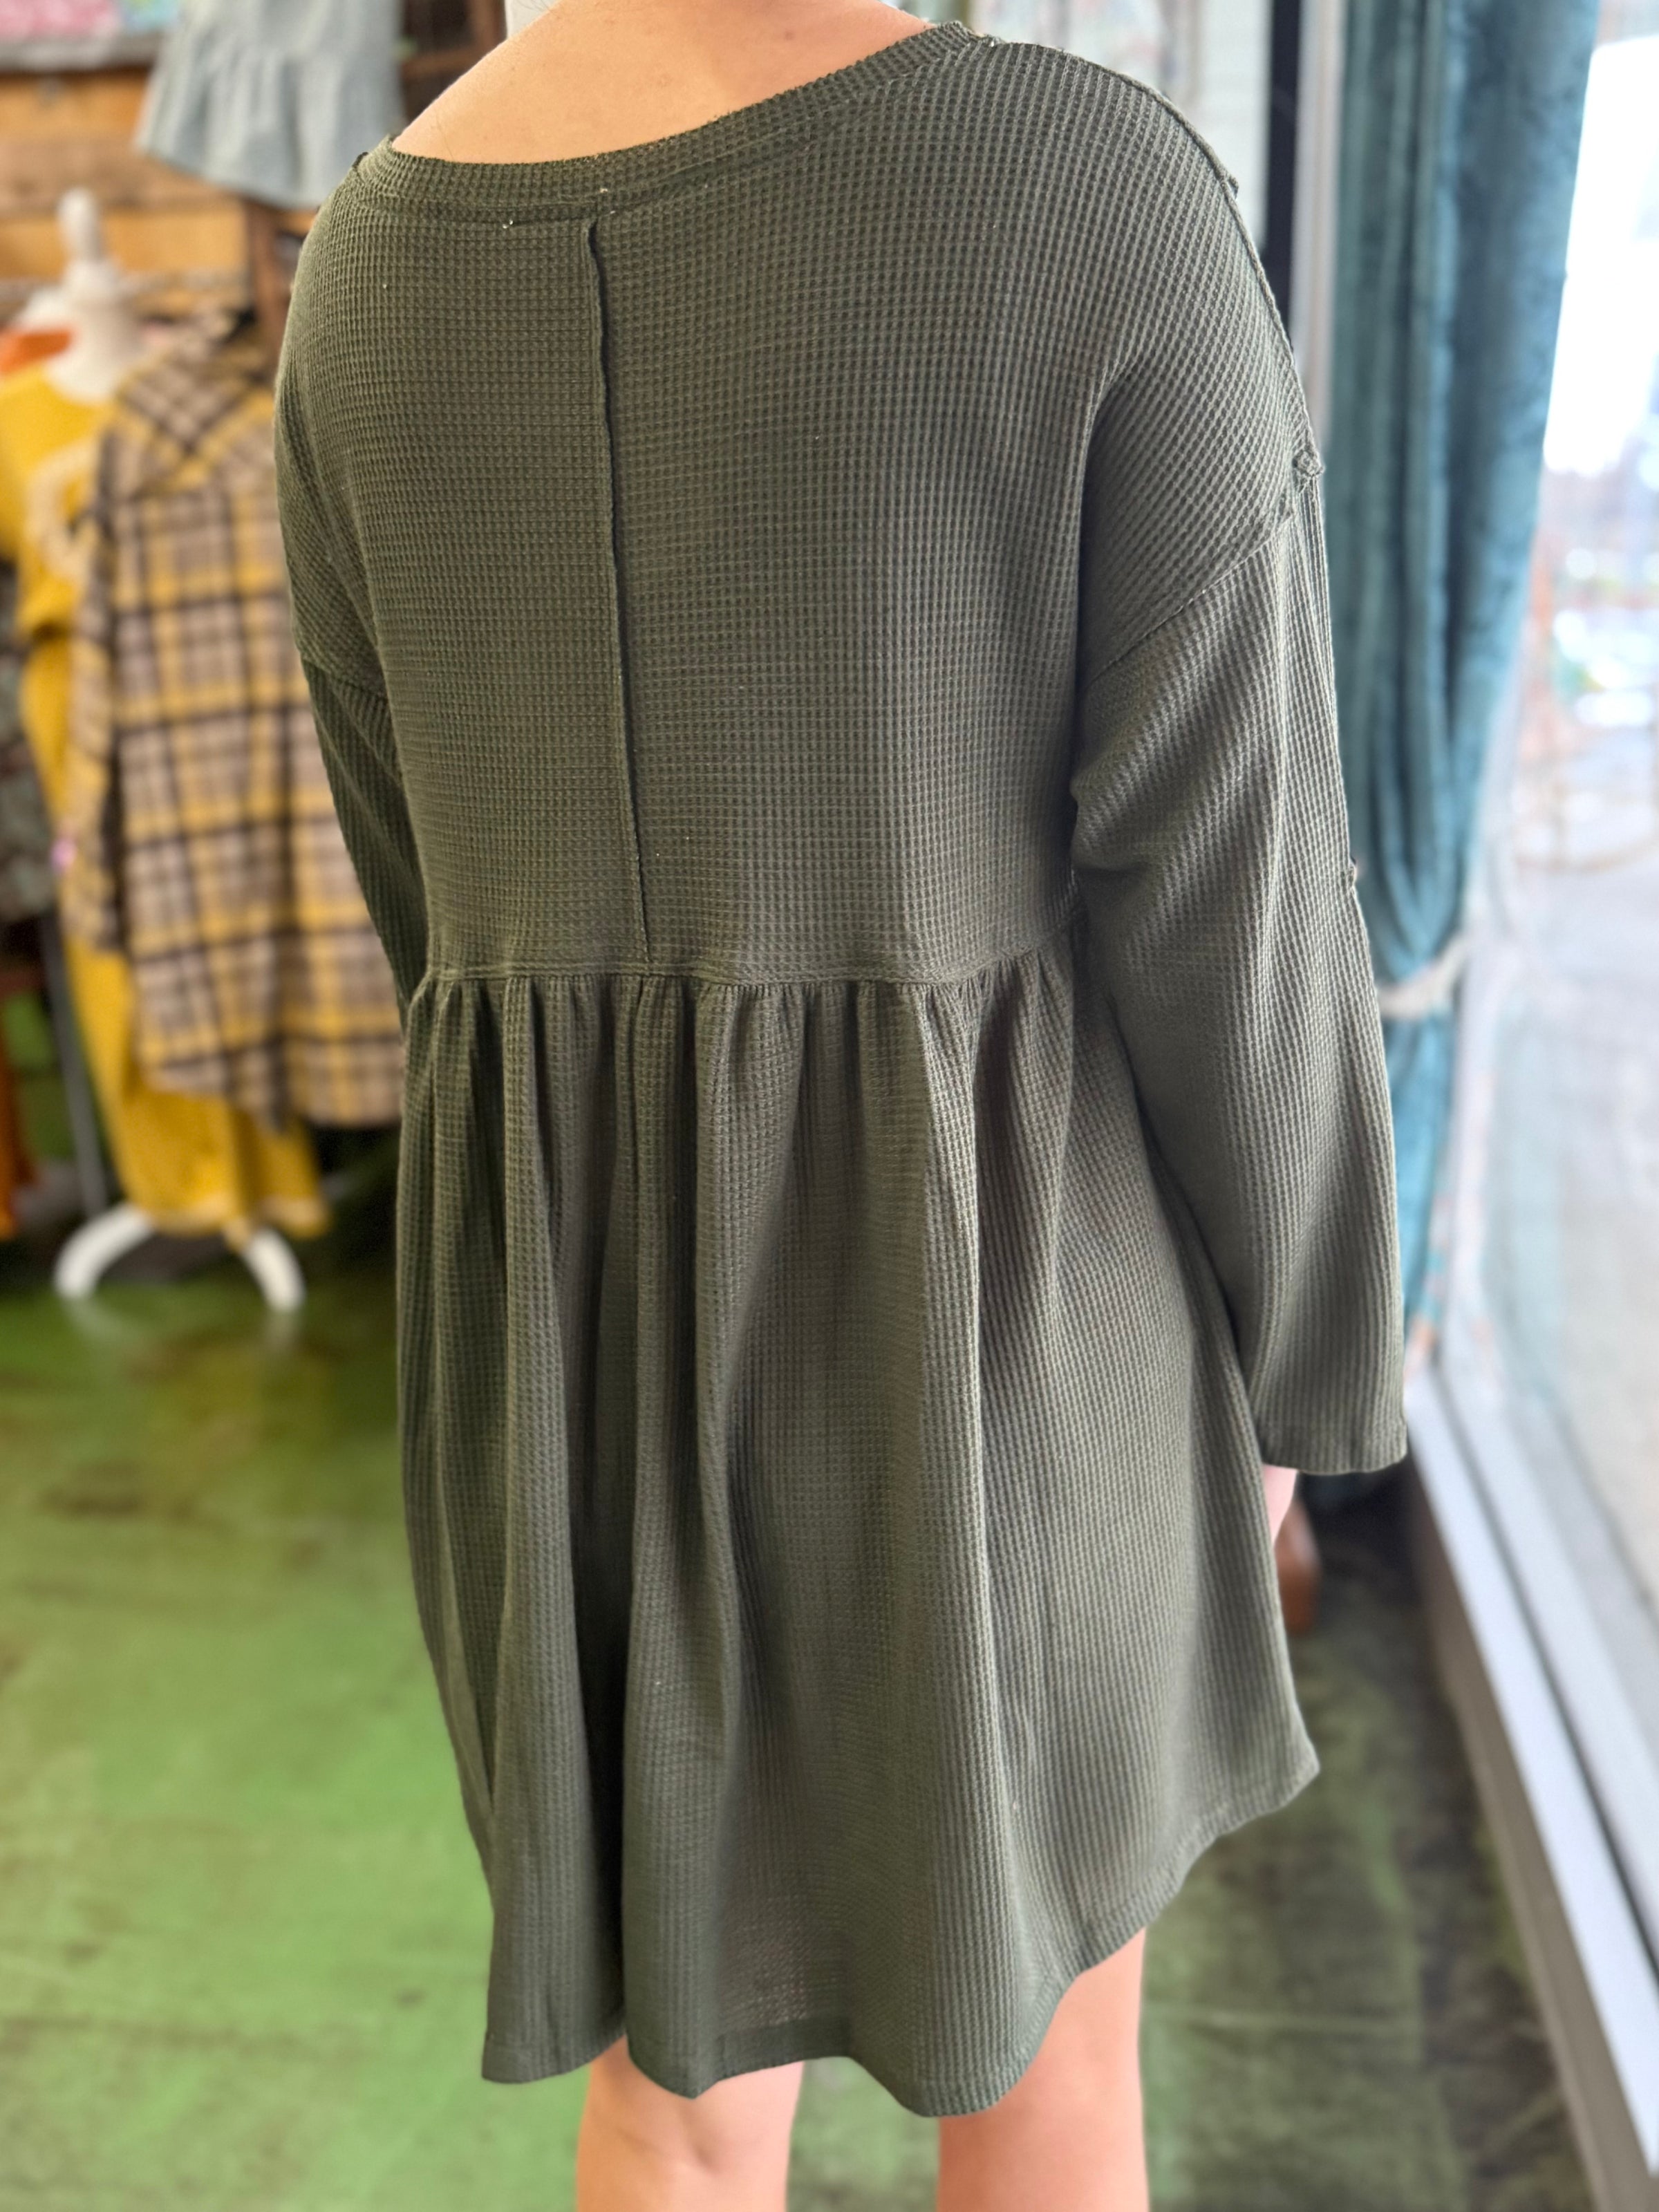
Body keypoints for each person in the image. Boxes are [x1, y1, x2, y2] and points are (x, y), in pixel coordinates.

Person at [273, 1, 1409, 2205]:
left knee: (675, 2107)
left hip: (573, 1363)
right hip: (1018, 1338)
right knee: (1048, 2075)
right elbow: (1237, 892)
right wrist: (1307, 1361)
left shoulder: (369, 271)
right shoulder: (1089, 199)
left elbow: (424, 895)